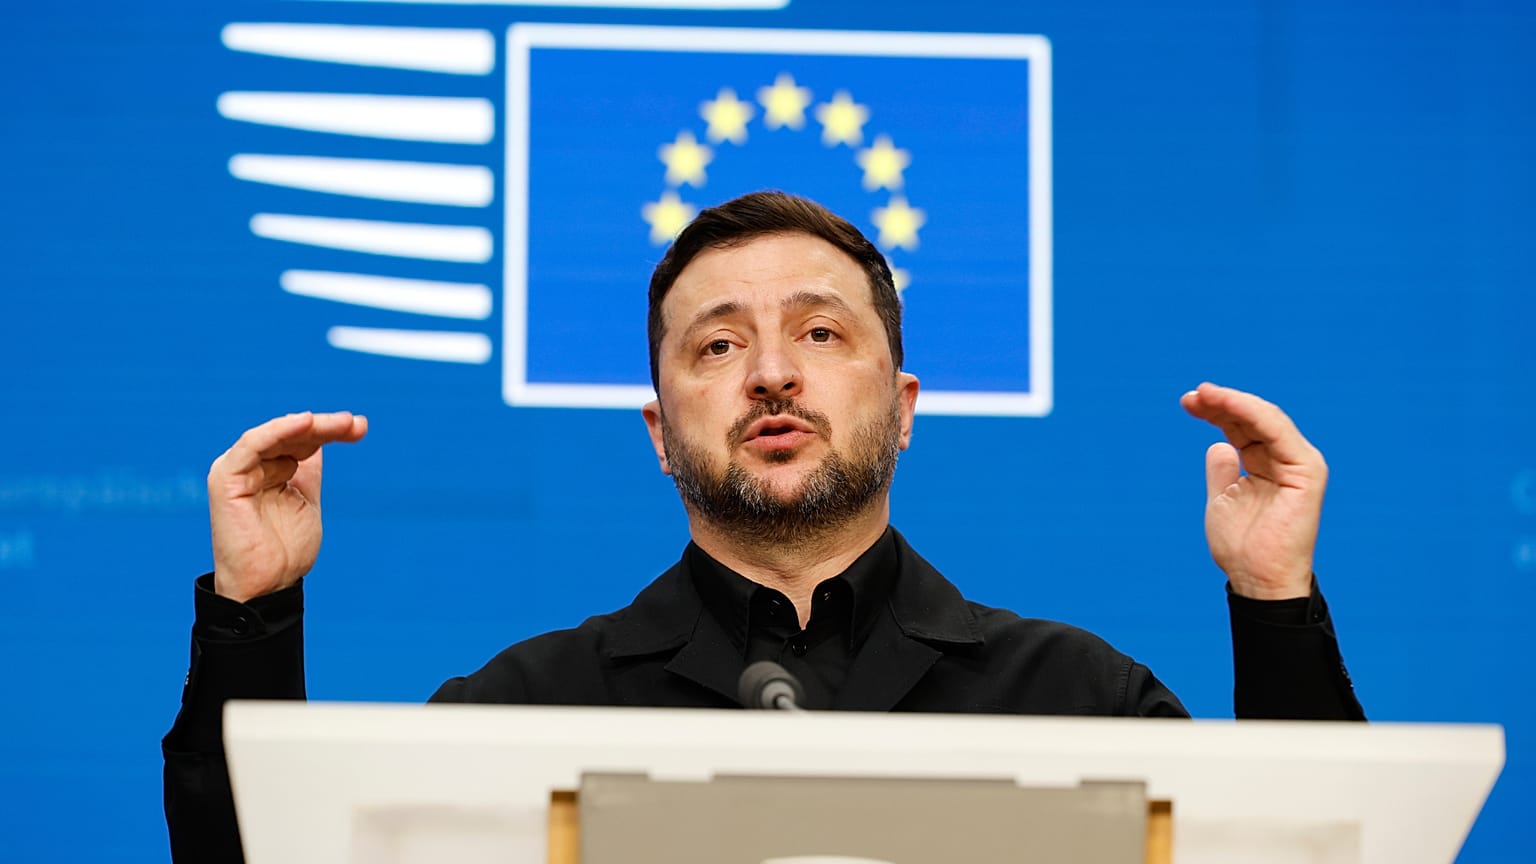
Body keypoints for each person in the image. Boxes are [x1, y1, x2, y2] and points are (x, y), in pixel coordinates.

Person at [163, 191, 1363, 862]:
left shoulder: (1081, 702)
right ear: (655, 428)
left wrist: (1274, 600)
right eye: (719, 345)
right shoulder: (517, 715)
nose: (772, 374)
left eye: (822, 334)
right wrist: (253, 613)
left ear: (901, 412)